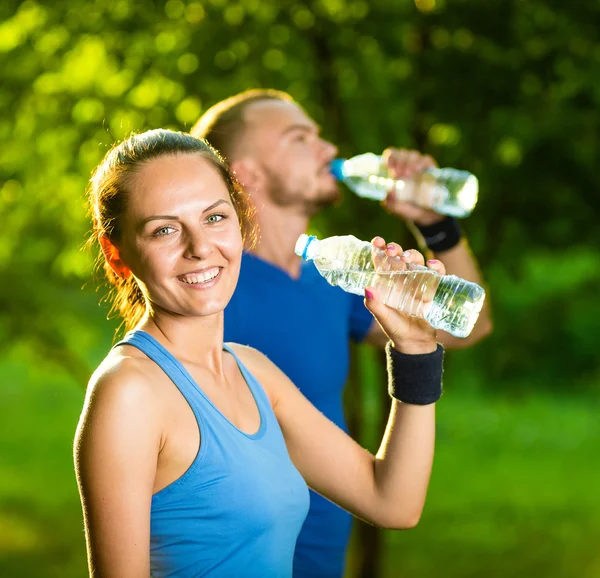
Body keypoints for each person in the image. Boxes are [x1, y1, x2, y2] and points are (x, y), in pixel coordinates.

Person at [73, 129, 447, 578]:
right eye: (165, 230)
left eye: (214, 218)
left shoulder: (253, 371)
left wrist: (415, 350)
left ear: (240, 220)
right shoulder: (129, 392)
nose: (200, 248)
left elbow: (393, 502)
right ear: (118, 256)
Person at [190, 89, 492, 578]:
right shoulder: (208, 290)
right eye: (300, 138)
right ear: (246, 174)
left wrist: (434, 222)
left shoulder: (331, 277)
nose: (328, 150)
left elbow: (470, 325)